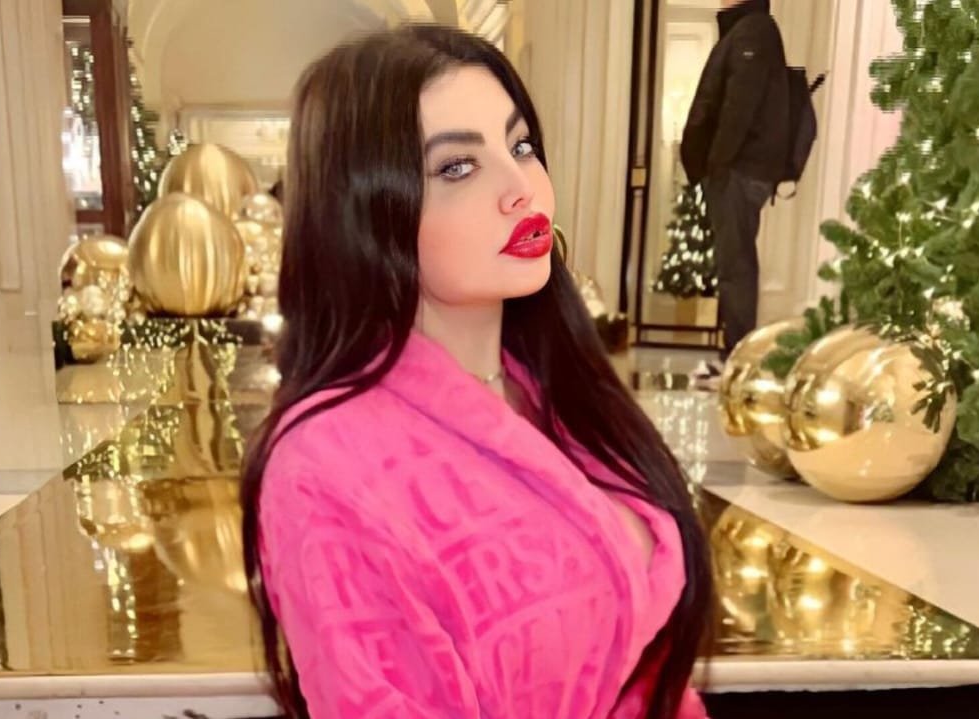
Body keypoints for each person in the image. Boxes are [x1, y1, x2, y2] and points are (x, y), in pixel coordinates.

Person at [240, 24, 712, 719]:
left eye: (520, 147)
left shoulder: (559, 386)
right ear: (366, 214)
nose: (521, 188)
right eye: (458, 167)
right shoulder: (324, 464)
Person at [681, 0, 789, 368]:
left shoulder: (753, 30)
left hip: (737, 171)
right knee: (735, 264)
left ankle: (737, 359)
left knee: (735, 266)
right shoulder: (748, 30)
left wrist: (717, 165)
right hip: (737, 169)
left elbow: (739, 106)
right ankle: (735, 355)